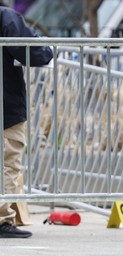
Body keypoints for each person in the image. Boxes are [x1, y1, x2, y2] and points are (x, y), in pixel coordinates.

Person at [0, 2, 53, 238]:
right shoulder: (6, 18)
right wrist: (49, 49)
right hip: (6, 105)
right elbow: (34, 51)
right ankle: (2, 219)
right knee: (8, 163)